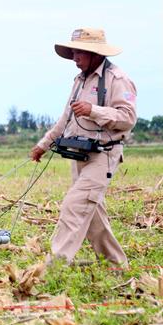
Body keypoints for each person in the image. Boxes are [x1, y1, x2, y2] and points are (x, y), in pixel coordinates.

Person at [30, 28, 137, 265]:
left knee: (75, 205)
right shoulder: (80, 80)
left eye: (80, 52)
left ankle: (54, 266)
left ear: (96, 53)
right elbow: (65, 119)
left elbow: (128, 117)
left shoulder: (117, 79)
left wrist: (93, 110)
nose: (74, 57)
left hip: (104, 154)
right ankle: (116, 264)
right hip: (79, 154)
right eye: (73, 52)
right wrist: (43, 145)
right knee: (93, 215)